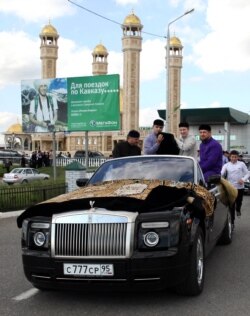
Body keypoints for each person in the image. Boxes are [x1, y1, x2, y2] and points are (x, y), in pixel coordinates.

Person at [221, 150, 250, 229]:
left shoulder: (242, 164)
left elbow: (248, 173)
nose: (234, 158)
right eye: (232, 157)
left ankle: (238, 209)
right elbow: (221, 173)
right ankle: (232, 222)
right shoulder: (226, 165)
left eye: (235, 157)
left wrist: (243, 179)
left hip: (240, 187)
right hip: (231, 188)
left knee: (239, 202)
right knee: (231, 206)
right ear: (229, 157)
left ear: (237, 157)